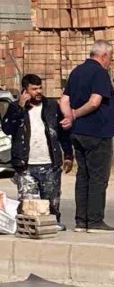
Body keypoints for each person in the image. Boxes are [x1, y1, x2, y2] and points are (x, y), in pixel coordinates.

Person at [1, 74, 74, 231]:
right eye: (34, 89)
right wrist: (20, 107)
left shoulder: (51, 106)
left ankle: (53, 227)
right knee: (29, 206)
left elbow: (62, 132)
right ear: (25, 91)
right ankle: (31, 233)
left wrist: (68, 155)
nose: (38, 91)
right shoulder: (15, 107)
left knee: (51, 204)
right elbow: (7, 128)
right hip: (25, 165)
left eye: (40, 88)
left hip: (50, 164)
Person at [60, 40, 114, 233]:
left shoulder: (76, 71)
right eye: (110, 58)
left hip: (77, 133)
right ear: (104, 56)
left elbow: (64, 99)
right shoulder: (100, 73)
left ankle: (80, 221)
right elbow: (95, 102)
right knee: (98, 178)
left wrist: (69, 116)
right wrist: (75, 114)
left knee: (83, 176)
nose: (110, 62)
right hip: (97, 132)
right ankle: (94, 221)